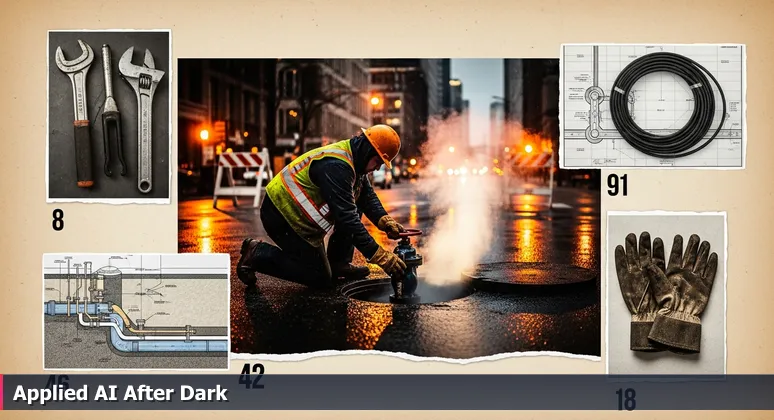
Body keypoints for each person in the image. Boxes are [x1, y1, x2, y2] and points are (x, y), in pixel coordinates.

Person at [237, 124, 409, 289]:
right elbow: (347, 219)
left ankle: (339, 264)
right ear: (367, 150)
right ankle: (256, 254)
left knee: (354, 205)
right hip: (281, 215)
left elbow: (366, 196)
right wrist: (380, 256)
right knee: (318, 277)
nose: (377, 167)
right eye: (378, 161)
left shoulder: (355, 161)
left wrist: (384, 220)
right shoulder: (337, 166)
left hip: (299, 220)